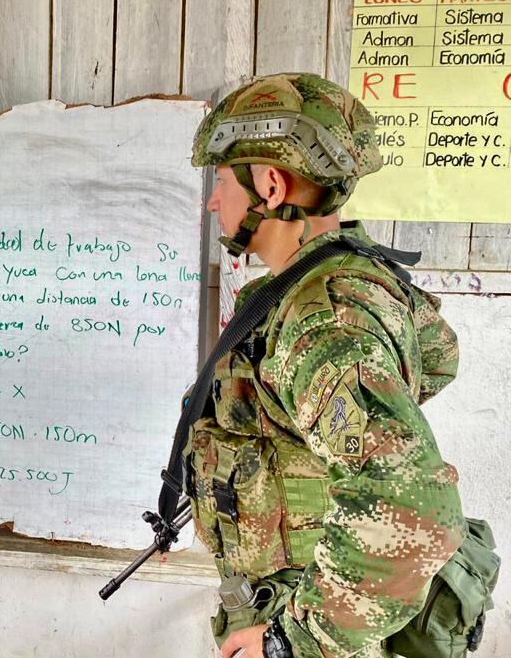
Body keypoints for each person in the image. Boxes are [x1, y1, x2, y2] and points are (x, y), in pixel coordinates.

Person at [184, 73, 466, 658]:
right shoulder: (332, 285)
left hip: (310, 632)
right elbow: (435, 360)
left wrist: (293, 642)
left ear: (268, 183)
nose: (214, 200)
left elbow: (410, 505)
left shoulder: (323, 317)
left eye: (219, 180)